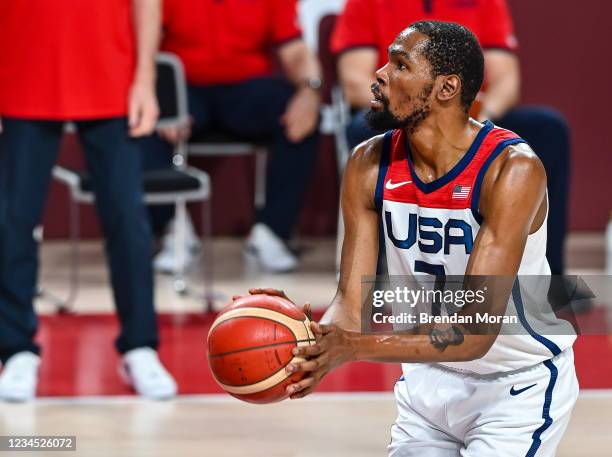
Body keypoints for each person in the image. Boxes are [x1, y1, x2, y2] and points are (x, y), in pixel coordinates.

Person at [257, 21, 578, 455]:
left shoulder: (511, 170)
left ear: (446, 88)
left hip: (515, 386)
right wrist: (306, 336)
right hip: (428, 381)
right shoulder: (367, 163)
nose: (380, 74)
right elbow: (351, 307)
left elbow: (473, 332)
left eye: (400, 64)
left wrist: (352, 348)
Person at [0, 0, 176, 401]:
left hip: (109, 71)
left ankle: (139, 345)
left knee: (128, 219)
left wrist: (145, 78)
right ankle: (15, 350)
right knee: (13, 219)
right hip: (22, 65)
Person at [331, 0, 570, 275]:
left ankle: (551, 274)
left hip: (470, 110)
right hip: (402, 108)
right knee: (362, 131)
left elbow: (507, 79)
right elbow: (354, 82)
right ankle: (376, 270)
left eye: (398, 65)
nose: (381, 71)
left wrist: (477, 121)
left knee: (549, 128)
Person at [143, 0, 322, 274]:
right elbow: (147, 45)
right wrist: (161, 97)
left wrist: (310, 90)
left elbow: (295, 51)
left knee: (303, 115)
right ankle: (172, 229)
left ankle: (272, 233)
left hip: (245, 87)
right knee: (146, 116)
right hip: (184, 83)